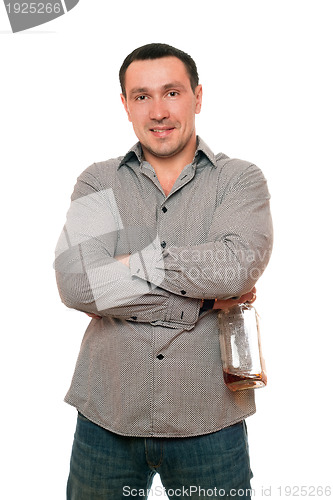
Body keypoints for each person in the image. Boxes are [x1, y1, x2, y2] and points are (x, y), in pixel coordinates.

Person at [55, 43, 273, 499]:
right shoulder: (99, 181)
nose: (158, 111)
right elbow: (76, 283)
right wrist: (203, 300)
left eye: (172, 93)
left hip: (209, 420)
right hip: (106, 414)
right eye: (142, 96)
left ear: (197, 96)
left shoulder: (240, 179)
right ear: (125, 105)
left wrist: (128, 263)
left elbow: (236, 268)